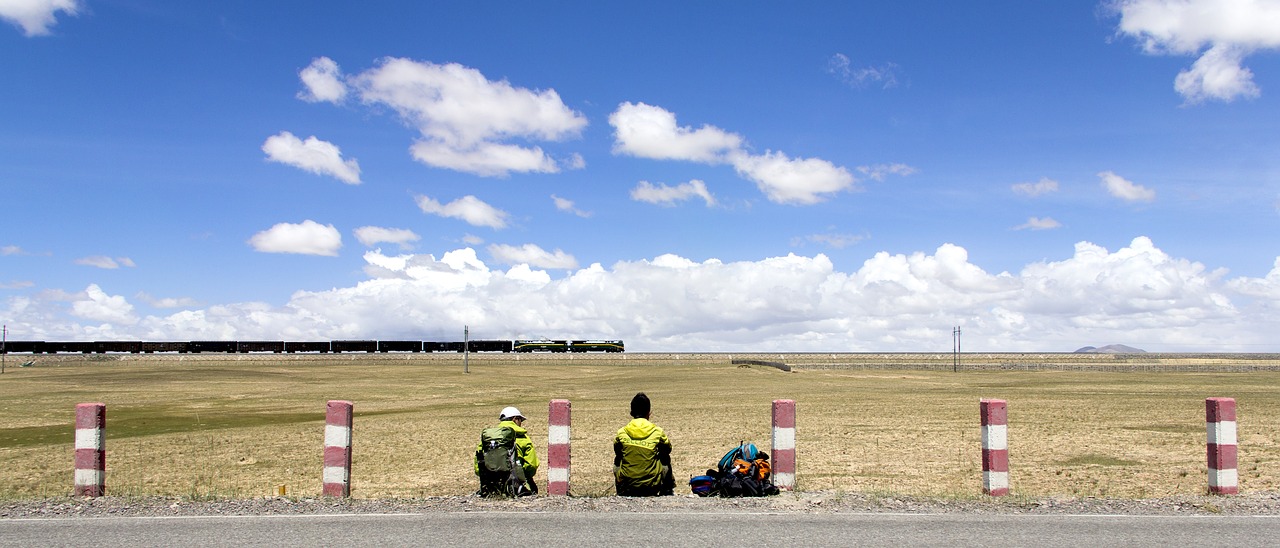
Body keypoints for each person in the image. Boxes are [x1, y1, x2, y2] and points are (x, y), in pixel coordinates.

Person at [613, 392, 675, 496]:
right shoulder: (657, 432)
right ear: (649, 412)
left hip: (628, 486)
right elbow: (667, 449)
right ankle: (667, 490)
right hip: (652, 486)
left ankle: (620, 491)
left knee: (618, 459)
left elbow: (617, 451)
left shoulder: (621, 432)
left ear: (631, 412)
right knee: (665, 458)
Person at [474, 406, 539, 496]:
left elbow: (478, 466)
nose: (521, 423)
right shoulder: (523, 438)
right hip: (517, 488)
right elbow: (532, 465)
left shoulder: (489, 438)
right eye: (520, 420)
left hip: (490, 486)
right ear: (515, 419)